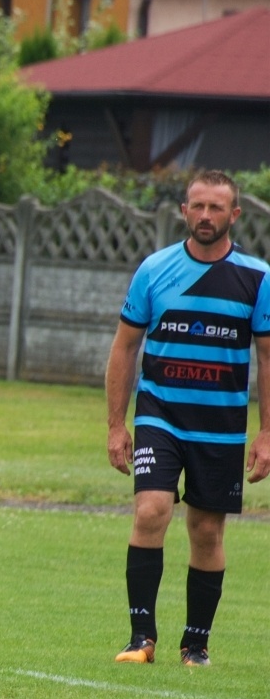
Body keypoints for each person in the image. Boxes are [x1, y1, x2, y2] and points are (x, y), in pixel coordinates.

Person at [105, 170, 270, 667]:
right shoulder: (154, 270)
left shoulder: (257, 278)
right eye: (197, 206)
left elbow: (268, 357)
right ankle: (141, 640)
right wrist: (116, 424)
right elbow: (125, 347)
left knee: (205, 530)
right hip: (160, 414)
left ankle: (195, 645)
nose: (205, 216)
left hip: (220, 425)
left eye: (216, 208)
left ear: (234, 215)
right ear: (183, 211)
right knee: (151, 509)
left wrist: (266, 432)